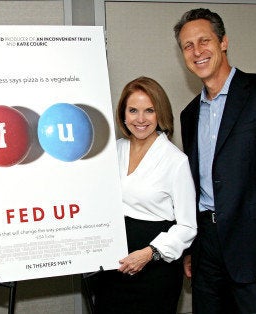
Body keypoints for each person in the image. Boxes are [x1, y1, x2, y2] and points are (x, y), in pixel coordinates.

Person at [174, 8, 256, 313]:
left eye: (204, 41)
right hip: (206, 249)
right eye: (188, 46)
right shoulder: (189, 113)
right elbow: (195, 186)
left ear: (223, 42)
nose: (197, 52)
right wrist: (193, 247)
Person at [92, 76, 197, 313]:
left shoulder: (176, 161)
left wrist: (149, 253)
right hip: (114, 263)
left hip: (154, 267)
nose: (140, 119)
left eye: (149, 110)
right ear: (123, 114)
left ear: (160, 113)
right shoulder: (113, 150)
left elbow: (188, 226)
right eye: (133, 110)